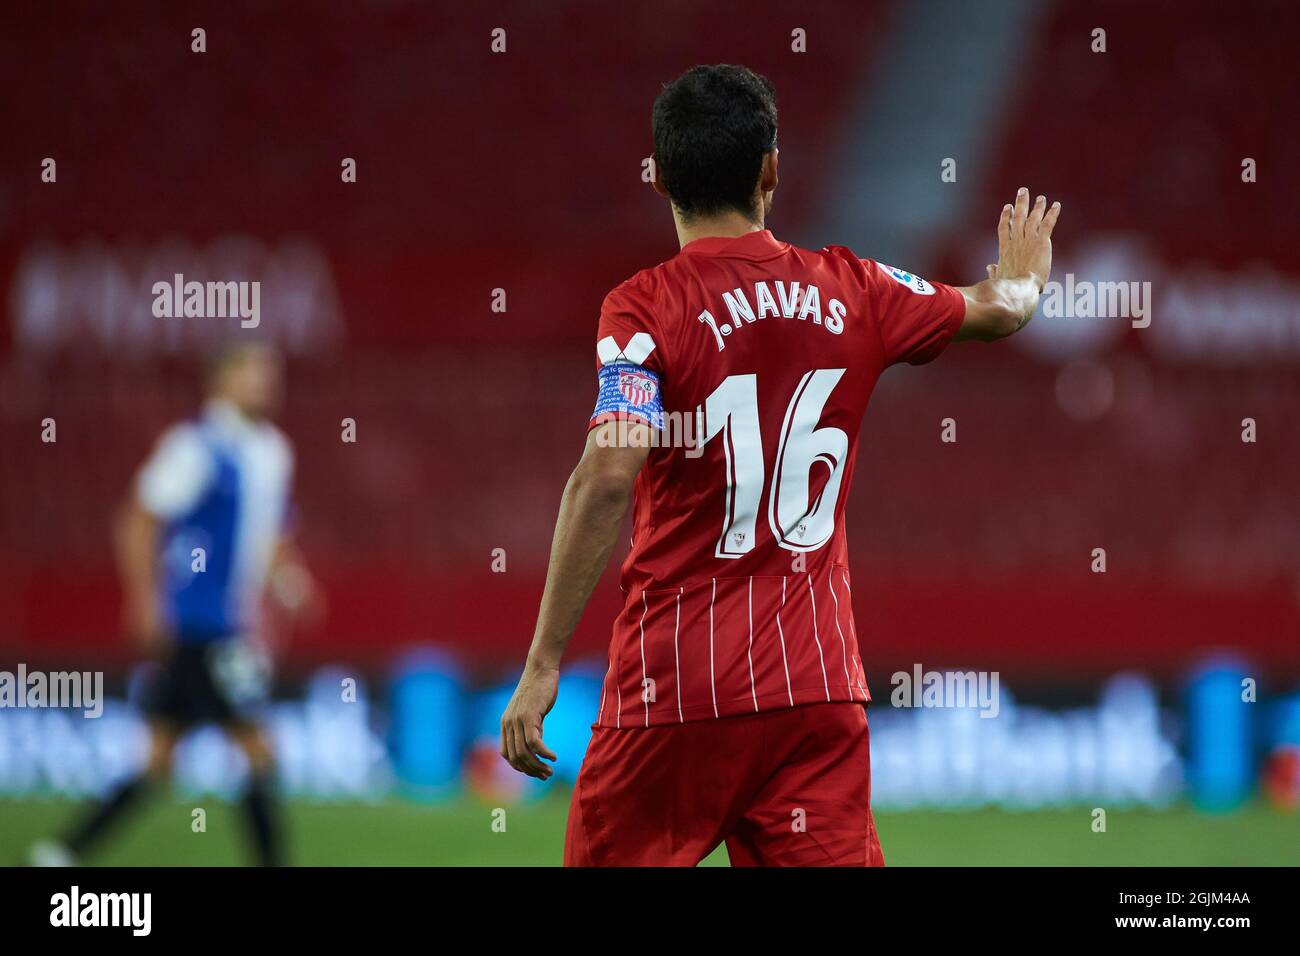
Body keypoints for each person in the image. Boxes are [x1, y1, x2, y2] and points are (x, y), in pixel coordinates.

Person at [500, 64, 1062, 866]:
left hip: (674, 691)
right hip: (816, 694)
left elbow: (608, 473)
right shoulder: (857, 287)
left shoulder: (643, 307)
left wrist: (543, 663)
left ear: (658, 177)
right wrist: (1025, 278)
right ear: (771, 168)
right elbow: (1001, 310)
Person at [29, 341, 320, 867]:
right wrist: (147, 597)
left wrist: (289, 580)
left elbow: (270, 536)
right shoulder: (194, 447)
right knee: (257, 746)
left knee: (158, 760)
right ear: (221, 380)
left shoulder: (273, 450)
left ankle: (59, 854)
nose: (265, 383)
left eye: (269, 374)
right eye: (253, 372)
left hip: (229, 622)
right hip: (203, 623)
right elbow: (138, 519)